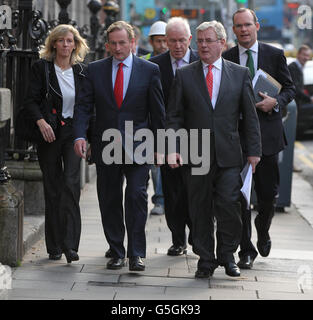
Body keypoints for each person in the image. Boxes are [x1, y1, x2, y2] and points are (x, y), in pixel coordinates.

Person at [166, 20, 261, 278]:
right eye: (200, 41)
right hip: (195, 154)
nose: (204, 46)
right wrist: (173, 148)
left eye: (209, 40)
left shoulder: (239, 73)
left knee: (230, 204)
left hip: (229, 154)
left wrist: (254, 152)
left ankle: (227, 255)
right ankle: (206, 259)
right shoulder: (185, 75)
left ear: (222, 43)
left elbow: (250, 117)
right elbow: (174, 116)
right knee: (199, 208)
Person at [73, 21, 165, 272]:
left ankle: (136, 253)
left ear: (132, 43)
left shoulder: (149, 70)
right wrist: (80, 136)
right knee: (109, 199)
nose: (117, 48)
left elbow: (157, 112)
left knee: (136, 196)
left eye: (122, 42)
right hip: (106, 145)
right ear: (106, 45)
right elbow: (83, 106)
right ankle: (116, 251)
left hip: (140, 145)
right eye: (112, 43)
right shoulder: (95, 70)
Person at [223, 8, 296, 269]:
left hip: (268, 136)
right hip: (237, 139)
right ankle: (246, 249)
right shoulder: (227, 57)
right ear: (233, 30)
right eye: (238, 26)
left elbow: (290, 88)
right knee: (239, 197)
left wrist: (275, 102)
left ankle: (262, 228)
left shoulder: (274, 55)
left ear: (257, 26)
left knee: (268, 195)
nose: (243, 30)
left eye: (247, 25)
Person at [24, 24, 89, 263]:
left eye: (69, 41)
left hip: (73, 132)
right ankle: (54, 246)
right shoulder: (42, 68)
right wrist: (41, 122)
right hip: (49, 133)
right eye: (60, 41)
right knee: (53, 187)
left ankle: (70, 245)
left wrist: (86, 136)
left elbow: (86, 106)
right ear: (53, 44)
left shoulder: (82, 71)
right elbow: (30, 101)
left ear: (75, 44)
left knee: (71, 185)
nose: (65, 45)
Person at [150, 17, 199, 256]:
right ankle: (178, 239)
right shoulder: (155, 66)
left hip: (199, 139)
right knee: (172, 192)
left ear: (190, 40)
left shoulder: (203, 62)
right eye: (172, 41)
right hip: (167, 138)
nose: (178, 45)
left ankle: (198, 237)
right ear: (165, 41)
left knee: (196, 191)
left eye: (182, 40)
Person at [142, 20, 168, 216]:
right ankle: (157, 200)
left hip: (169, 121)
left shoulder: (175, 61)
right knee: (154, 166)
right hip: (148, 123)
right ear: (151, 41)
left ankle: (162, 200)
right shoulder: (144, 62)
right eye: (158, 41)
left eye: (165, 41)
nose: (163, 45)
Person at [288, 45, 313, 137]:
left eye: (308, 55)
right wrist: (309, 98)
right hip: (291, 105)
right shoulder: (293, 67)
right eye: (304, 55)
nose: (306, 58)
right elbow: (295, 88)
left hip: (297, 105)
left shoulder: (299, 67)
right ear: (298, 55)